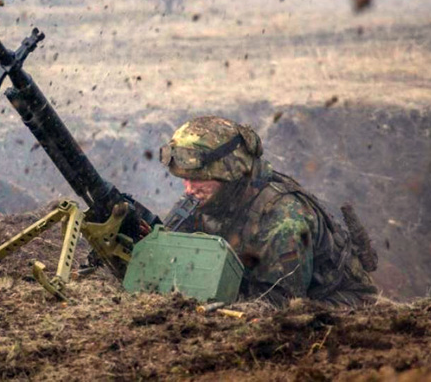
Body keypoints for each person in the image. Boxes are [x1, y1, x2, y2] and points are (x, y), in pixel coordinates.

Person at [159, 115, 378, 306]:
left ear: (230, 173)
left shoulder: (283, 219)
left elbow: (280, 305)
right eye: (185, 179)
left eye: (198, 179)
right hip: (251, 290)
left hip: (336, 305)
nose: (188, 189)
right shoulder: (207, 198)